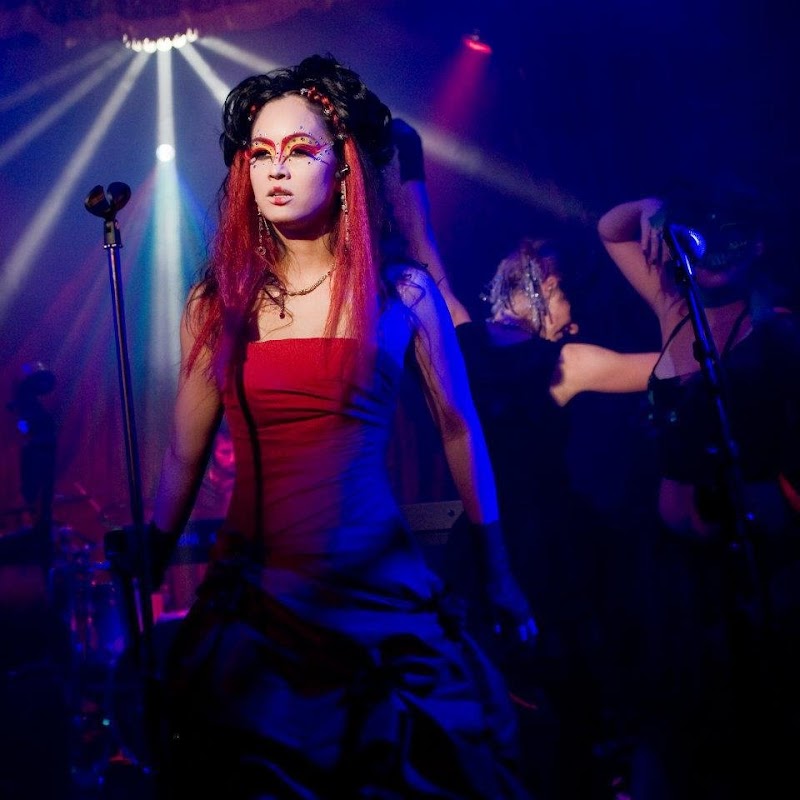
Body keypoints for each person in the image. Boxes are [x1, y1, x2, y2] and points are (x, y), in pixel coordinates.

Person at [146, 54, 537, 799]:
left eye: (299, 150)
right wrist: (152, 558)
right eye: (261, 153)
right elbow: (181, 454)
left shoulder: (403, 294)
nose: (275, 169)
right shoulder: (217, 301)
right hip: (258, 598)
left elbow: (461, 432)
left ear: (345, 166)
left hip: (374, 592)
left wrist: (499, 568)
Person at [598, 182, 800, 799]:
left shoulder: (780, 332)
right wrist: (652, 210)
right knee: (673, 726)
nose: (715, 247)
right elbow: (611, 228)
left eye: (730, 231)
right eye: (704, 228)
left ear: (758, 244)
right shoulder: (674, 307)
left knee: (752, 729)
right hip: (670, 567)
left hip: (754, 565)